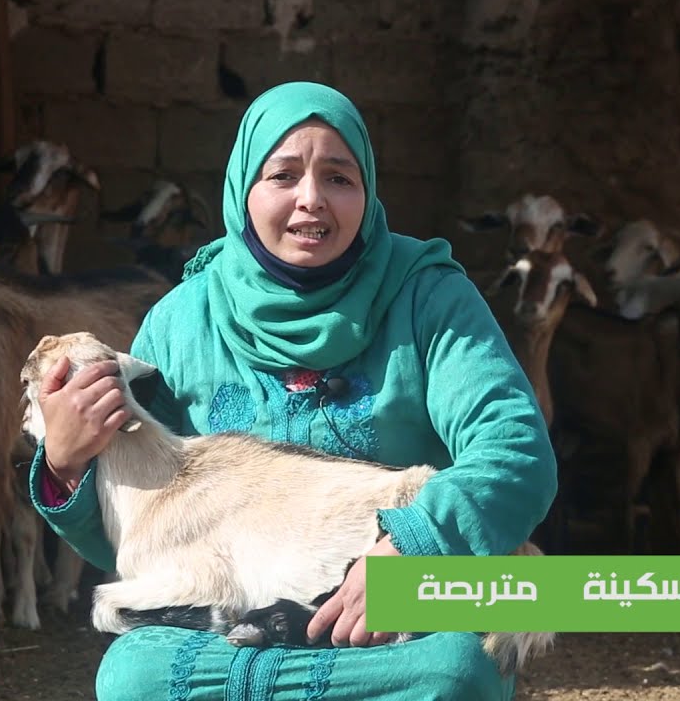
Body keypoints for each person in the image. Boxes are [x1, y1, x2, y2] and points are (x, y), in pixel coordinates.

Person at [28, 81, 558, 701]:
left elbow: (516, 450)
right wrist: (68, 464)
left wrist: (412, 548)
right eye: (282, 176)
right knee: (132, 675)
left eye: (339, 178)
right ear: (243, 190)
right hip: (229, 619)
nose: (312, 200)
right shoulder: (183, 322)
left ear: (368, 191)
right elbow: (142, 538)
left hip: (393, 621)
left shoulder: (429, 300)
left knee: (453, 672)